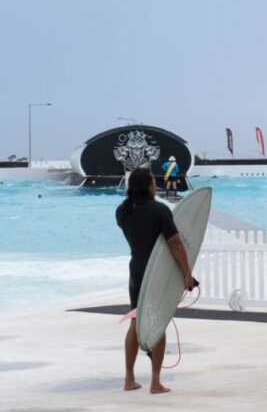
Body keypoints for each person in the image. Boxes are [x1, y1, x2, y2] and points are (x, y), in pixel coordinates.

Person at [116, 166, 195, 394]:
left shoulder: (122, 212)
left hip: (136, 271)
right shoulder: (160, 210)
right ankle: (155, 382)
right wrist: (187, 272)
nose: (155, 185)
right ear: (148, 186)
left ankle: (129, 379)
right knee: (159, 323)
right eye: (153, 181)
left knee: (135, 323)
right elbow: (175, 244)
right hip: (157, 272)